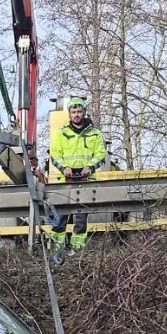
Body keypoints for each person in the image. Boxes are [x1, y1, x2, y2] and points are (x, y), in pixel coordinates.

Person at [48, 96, 105, 259]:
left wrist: (91, 166)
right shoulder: (62, 134)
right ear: (69, 114)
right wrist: (64, 168)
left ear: (84, 113)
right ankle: (56, 252)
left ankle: (77, 253)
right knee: (59, 218)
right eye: (73, 112)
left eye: (79, 111)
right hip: (65, 182)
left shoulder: (95, 134)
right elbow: (55, 154)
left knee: (81, 219)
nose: (77, 114)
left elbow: (101, 154)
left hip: (86, 181)